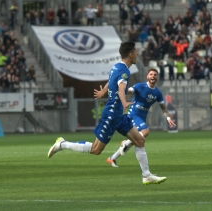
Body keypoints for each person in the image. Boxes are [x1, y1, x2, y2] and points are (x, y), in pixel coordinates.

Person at [47, 42, 167, 185]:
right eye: (135, 51)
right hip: (112, 114)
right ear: (130, 54)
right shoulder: (125, 71)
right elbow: (121, 89)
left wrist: (103, 92)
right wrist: (124, 103)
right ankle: (63, 144)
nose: (137, 54)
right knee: (96, 150)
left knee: (140, 140)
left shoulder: (116, 66)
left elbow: (111, 82)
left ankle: (146, 175)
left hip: (119, 115)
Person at [106, 69, 176, 167]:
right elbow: (129, 91)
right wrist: (121, 90)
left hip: (142, 117)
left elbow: (163, 108)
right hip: (133, 114)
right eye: (151, 74)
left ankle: (112, 158)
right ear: (147, 76)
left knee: (137, 139)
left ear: (157, 77)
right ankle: (125, 144)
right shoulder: (140, 86)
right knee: (145, 132)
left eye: (155, 75)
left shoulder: (157, 93)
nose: (153, 76)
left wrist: (168, 118)